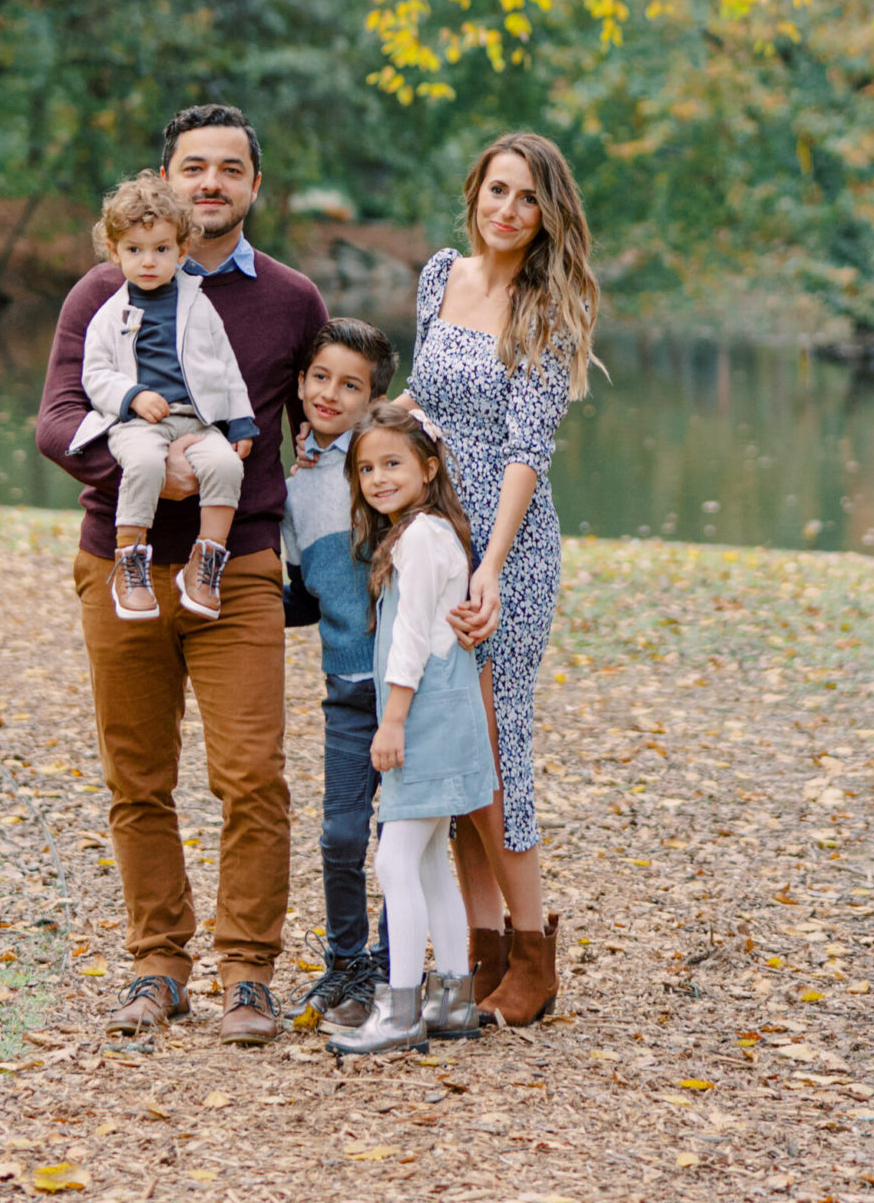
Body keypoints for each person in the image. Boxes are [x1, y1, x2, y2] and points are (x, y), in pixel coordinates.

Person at [35, 104, 327, 1046]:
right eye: (193, 167)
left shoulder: (291, 302)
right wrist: (143, 471)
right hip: (117, 564)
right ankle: (158, 967)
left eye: (230, 169)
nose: (211, 183)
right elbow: (55, 420)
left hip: (237, 567)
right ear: (164, 180)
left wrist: (339, 554)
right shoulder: (101, 294)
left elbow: (317, 436)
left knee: (252, 776)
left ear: (254, 186)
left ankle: (247, 974)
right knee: (138, 777)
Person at [407, 130, 597, 1028]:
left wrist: (488, 563)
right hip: (433, 533)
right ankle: (482, 955)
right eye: (497, 190)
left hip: (505, 549)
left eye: (527, 198)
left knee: (491, 742)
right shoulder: (441, 274)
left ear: (546, 214)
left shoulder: (545, 308)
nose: (508, 210)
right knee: (449, 746)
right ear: (474, 192)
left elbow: (527, 449)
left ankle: (533, 952)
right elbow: (421, 401)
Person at [324, 401, 495, 1057]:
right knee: (427, 864)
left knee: (395, 859)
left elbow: (414, 640)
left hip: (424, 716)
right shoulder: (429, 533)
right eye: (366, 468)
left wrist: (389, 722)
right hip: (445, 713)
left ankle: (400, 1014)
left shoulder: (422, 538)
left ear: (429, 467)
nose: (377, 478)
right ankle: (453, 997)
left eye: (392, 463)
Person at [281, 316, 398, 1028]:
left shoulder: (384, 464)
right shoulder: (294, 484)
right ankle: (348, 965)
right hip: (346, 689)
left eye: (350, 385)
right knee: (340, 836)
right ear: (299, 384)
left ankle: (398, 965)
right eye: (319, 378)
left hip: (412, 689)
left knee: (406, 838)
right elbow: (301, 596)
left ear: (373, 399)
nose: (330, 394)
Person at [73, 172, 256, 623]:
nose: (148, 261)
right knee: (145, 464)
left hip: (196, 422)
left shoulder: (197, 305)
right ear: (115, 253)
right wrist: (132, 395)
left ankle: (206, 563)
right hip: (138, 425)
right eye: (135, 250)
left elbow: (226, 365)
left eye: (161, 250)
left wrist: (241, 420)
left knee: (226, 466)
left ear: (181, 251)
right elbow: (94, 374)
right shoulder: (109, 313)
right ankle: (130, 562)